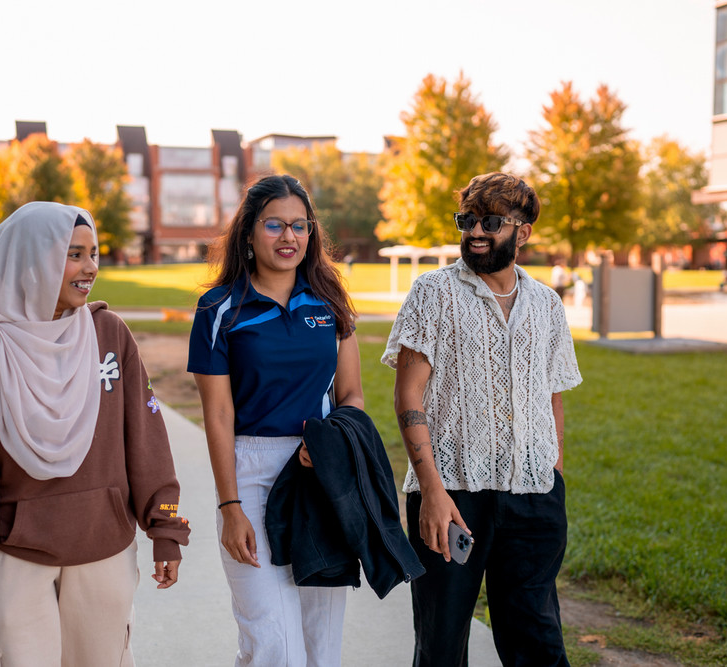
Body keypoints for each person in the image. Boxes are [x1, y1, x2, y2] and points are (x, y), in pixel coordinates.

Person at [0, 201, 189, 666]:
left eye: (94, 254)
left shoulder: (110, 335)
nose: (91, 268)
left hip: (103, 549)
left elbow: (145, 437)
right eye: (74, 255)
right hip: (13, 559)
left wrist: (163, 527)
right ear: (32, 260)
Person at [383, 172, 582, 666]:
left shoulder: (548, 305)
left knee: (537, 642)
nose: (475, 231)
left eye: (490, 221)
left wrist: (553, 472)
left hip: (534, 498)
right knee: (442, 644)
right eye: (467, 219)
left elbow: (552, 393)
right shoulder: (432, 294)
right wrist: (431, 490)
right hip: (452, 495)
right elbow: (409, 394)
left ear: (523, 232)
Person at [187, 174, 364, 666]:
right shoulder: (218, 309)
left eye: (299, 226)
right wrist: (229, 507)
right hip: (251, 470)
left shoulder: (330, 304)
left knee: (320, 646)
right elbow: (218, 414)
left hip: (318, 473)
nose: (289, 237)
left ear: (311, 234)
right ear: (247, 233)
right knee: (272, 643)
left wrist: (331, 443)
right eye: (274, 225)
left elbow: (351, 395)